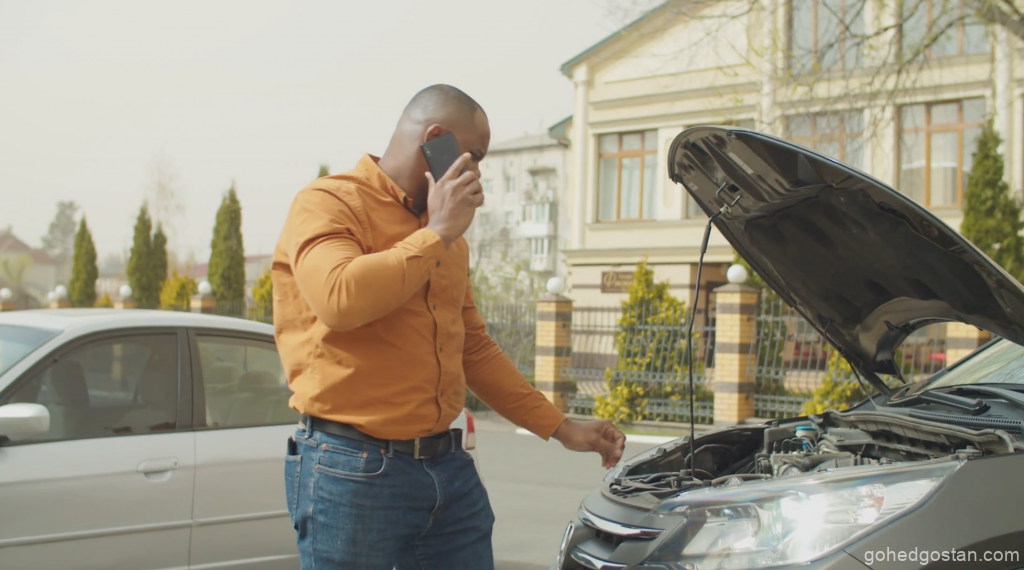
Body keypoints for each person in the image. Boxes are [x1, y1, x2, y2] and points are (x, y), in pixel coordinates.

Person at [271, 84, 626, 570]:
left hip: (446, 468)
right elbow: (339, 298)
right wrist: (435, 233)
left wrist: (560, 427)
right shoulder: (330, 202)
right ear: (435, 138)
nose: (477, 172)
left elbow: (473, 349)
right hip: (352, 467)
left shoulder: (448, 240)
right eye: (474, 156)